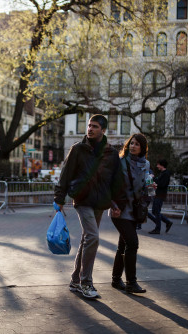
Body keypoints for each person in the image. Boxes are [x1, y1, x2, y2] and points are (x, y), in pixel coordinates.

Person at [54, 114, 122, 299]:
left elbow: (116, 181)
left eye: (95, 126)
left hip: (100, 202)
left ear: (103, 130)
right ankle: (86, 282)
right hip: (83, 200)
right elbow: (65, 174)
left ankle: (75, 280)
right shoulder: (78, 149)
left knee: (87, 239)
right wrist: (59, 199)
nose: (90, 129)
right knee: (93, 236)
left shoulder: (111, 153)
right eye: (89, 126)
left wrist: (116, 203)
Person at [109, 133, 151, 294]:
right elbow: (109, 185)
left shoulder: (146, 164)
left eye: (137, 144)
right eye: (131, 143)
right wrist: (113, 205)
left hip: (135, 211)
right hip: (119, 210)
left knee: (123, 245)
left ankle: (115, 279)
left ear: (142, 148)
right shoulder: (119, 162)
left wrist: (150, 189)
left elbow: (146, 187)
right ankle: (131, 282)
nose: (133, 146)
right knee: (132, 243)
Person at [148, 159, 174, 234]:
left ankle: (157, 229)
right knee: (154, 211)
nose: (157, 166)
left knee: (156, 211)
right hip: (158, 194)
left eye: (158, 164)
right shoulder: (163, 173)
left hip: (160, 194)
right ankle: (167, 222)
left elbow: (162, 184)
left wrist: (153, 179)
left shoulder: (165, 174)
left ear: (161, 165)